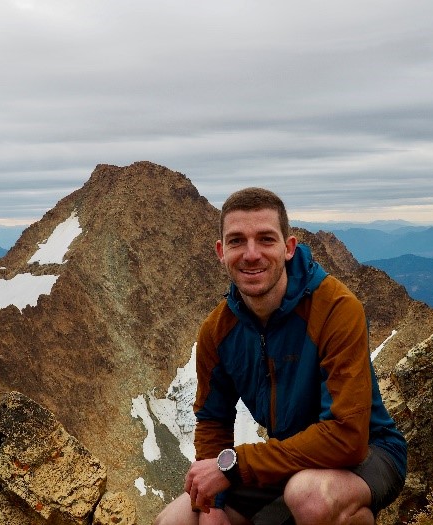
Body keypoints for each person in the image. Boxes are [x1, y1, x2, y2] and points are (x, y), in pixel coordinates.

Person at [155, 188, 406, 525]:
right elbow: (213, 420)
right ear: (221, 252)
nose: (251, 254)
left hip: (368, 452)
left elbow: (346, 437)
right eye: (237, 241)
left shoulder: (335, 308)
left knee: (310, 498)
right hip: (289, 461)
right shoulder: (218, 331)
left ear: (288, 248)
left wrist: (236, 466)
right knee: (175, 519)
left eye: (266, 239)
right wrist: (214, 505)